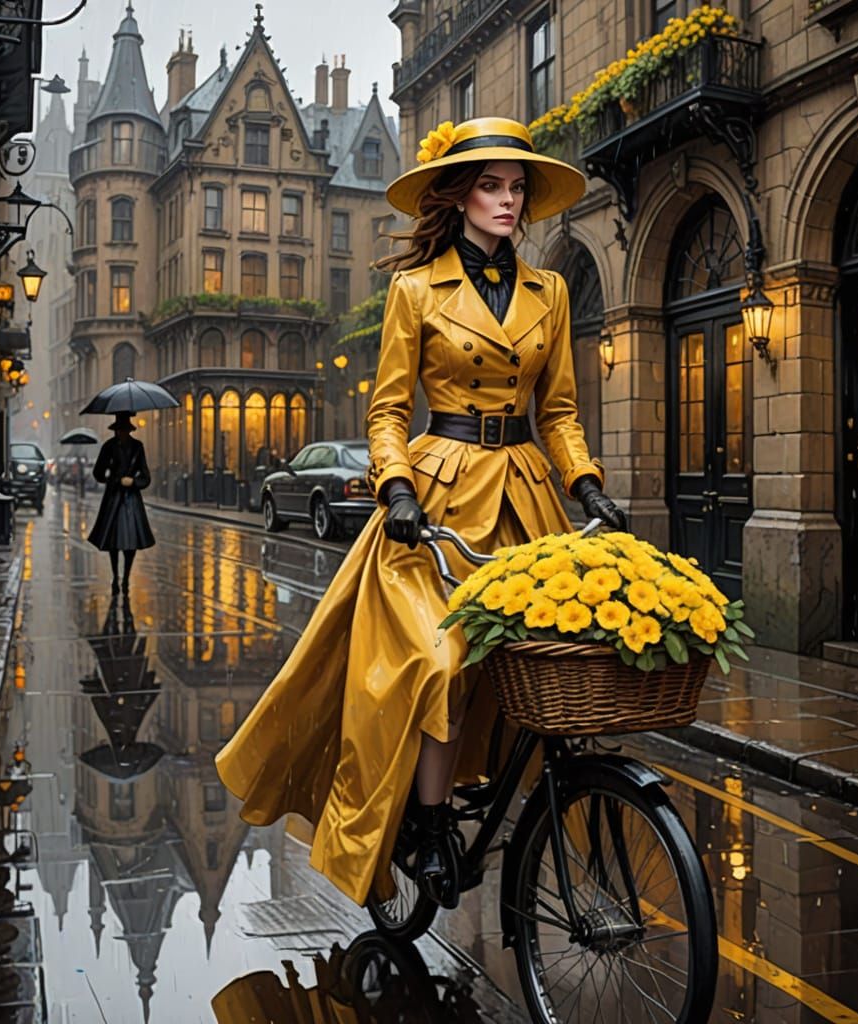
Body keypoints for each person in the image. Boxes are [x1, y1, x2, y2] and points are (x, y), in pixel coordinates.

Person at [216, 117, 625, 910]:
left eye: (516, 189)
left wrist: (586, 485)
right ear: (457, 195)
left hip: (527, 496)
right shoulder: (415, 289)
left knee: (555, 660)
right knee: (438, 662)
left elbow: (563, 410)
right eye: (490, 186)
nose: (508, 201)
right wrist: (395, 489)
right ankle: (430, 825)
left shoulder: (554, 291)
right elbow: (387, 412)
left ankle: (543, 798)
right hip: (435, 498)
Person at [88, 411, 155, 596]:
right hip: (114, 498)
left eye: (124, 430)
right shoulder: (108, 447)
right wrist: (109, 474)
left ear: (129, 430)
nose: (121, 433)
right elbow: (98, 473)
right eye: (119, 430)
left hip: (131, 499)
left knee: (130, 542)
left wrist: (133, 482)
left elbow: (146, 476)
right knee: (113, 541)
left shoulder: (138, 447)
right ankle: (116, 577)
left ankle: (126, 578)